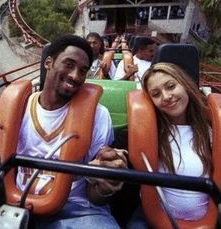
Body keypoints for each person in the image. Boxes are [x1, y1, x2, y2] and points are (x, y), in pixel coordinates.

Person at [15, 34, 127, 229]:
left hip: (79, 211)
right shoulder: (18, 107)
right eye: (68, 64)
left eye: (83, 71)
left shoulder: (98, 116)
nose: (75, 76)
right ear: (48, 63)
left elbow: (95, 197)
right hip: (18, 206)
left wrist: (105, 185)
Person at [128, 62, 212, 227]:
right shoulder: (149, 131)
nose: (166, 96)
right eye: (156, 94)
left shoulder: (212, 129)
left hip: (204, 221)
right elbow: (125, 153)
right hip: (150, 218)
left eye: (171, 86)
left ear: (185, 84)